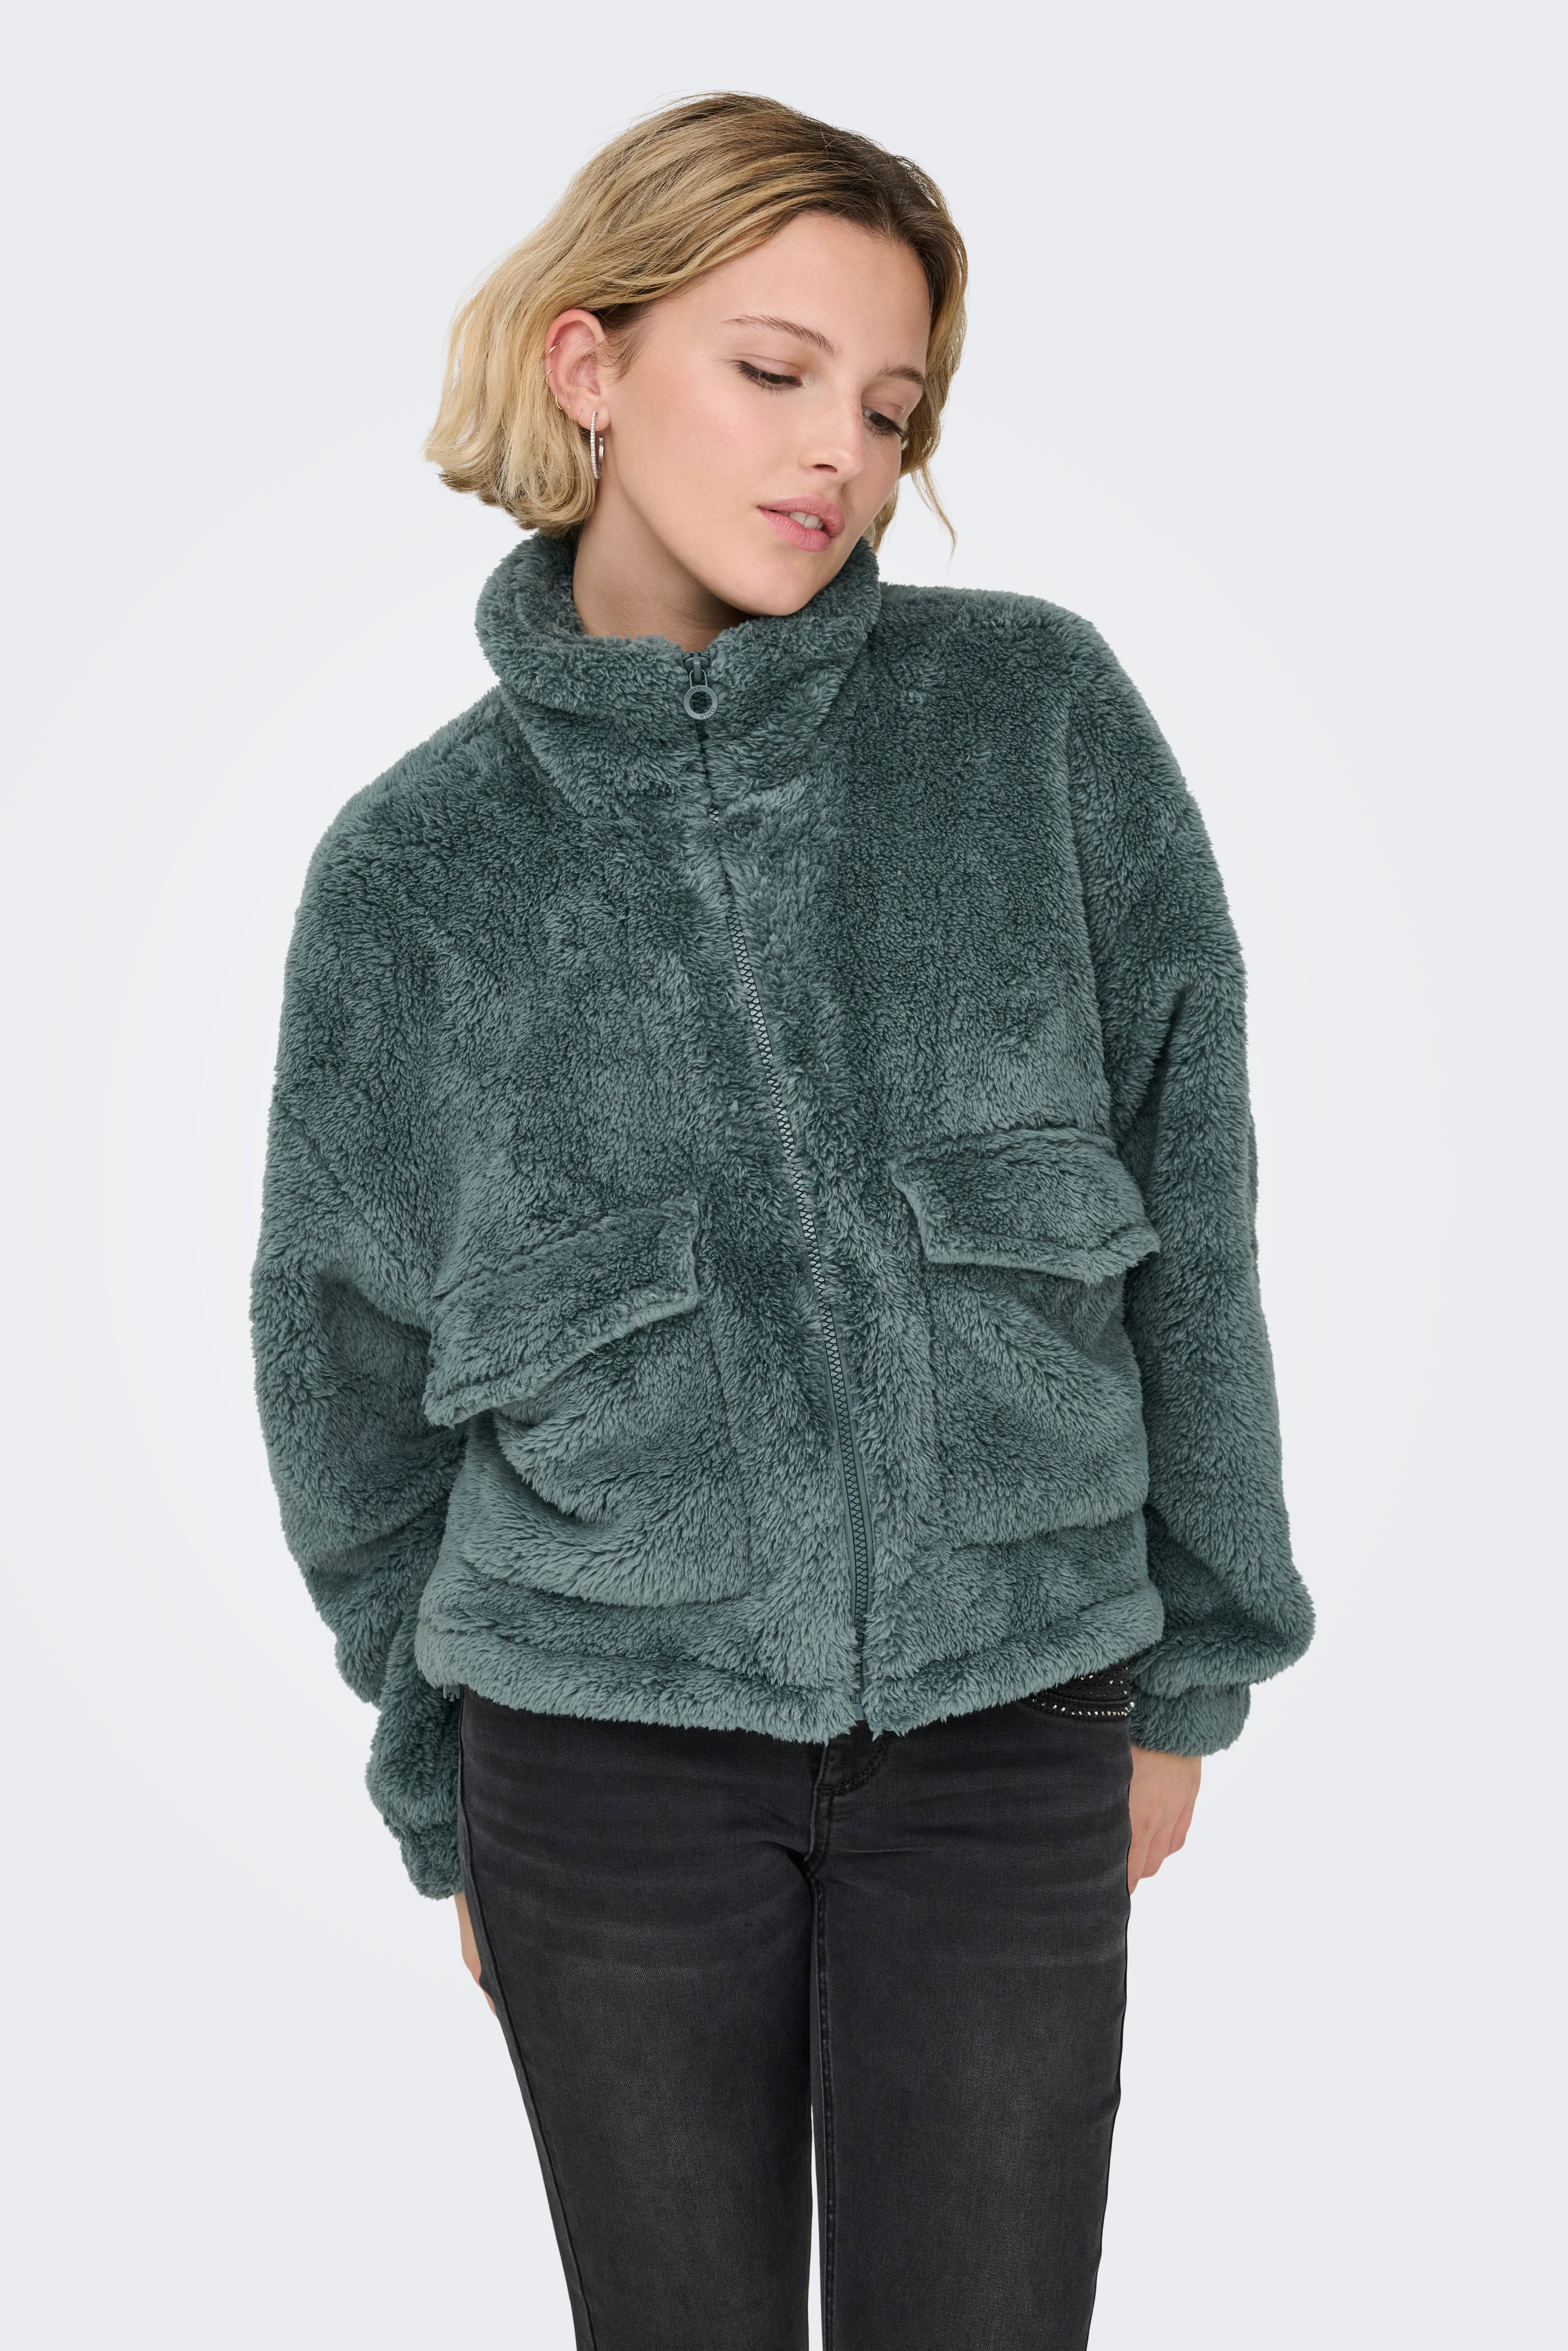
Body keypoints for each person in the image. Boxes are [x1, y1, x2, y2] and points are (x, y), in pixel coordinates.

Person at [250, 90, 1315, 2351]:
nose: (840, 448)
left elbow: (1195, 1202)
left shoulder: (1035, 718)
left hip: (1015, 1715)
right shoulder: (414, 872)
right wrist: (442, 1783)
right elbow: (339, 1366)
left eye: (891, 405)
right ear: (589, 362)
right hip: (597, 1766)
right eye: (774, 368)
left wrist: (1193, 1668)